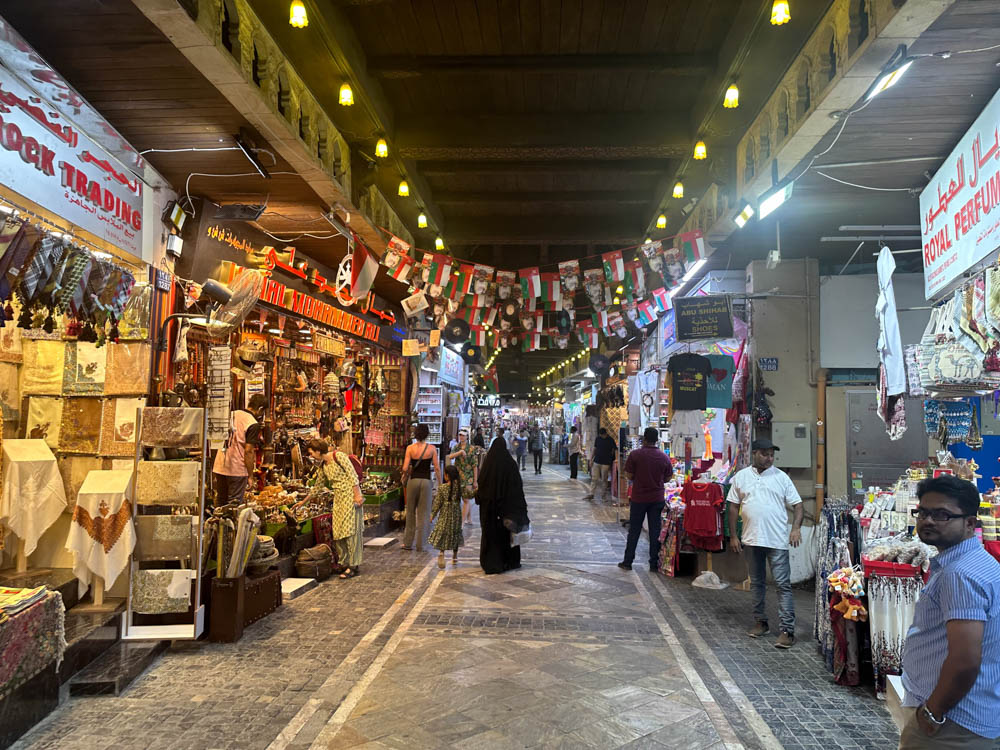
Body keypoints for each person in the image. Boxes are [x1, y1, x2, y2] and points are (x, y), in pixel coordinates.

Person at [898, 475, 1000, 749]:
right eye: (923, 512)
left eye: (942, 515)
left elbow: (965, 660)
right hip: (970, 713)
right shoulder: (978, 562)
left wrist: (932, 712)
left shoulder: (960, 574)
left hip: (953, 724)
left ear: (969, 523)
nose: (928, 521)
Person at [728, 438, 803, 649]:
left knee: (782, 585)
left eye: (772, 454)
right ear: (754, 454)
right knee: (757, 583)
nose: (769, 458)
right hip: (752, 540)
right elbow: (732, 507)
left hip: (777, 540)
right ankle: (761, 622)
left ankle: (787, 630)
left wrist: (795, 528)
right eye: (765, 454)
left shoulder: (781, 477)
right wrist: (733, 536)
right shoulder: (741, 477)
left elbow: (798, 505)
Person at [305, 439, 363, 579]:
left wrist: (357, 495)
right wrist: (303, 502)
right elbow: (318, 486)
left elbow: (352, 475)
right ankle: (344, 562)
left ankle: (353, 565)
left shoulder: (339, 456)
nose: (311, 456)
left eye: (311, 453)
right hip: (338, 499)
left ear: (318, 451)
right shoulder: (323, 465)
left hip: (349, 496)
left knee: (350, 531)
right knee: (338, 532)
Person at [619, 428, 673, 571]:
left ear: (644, 439)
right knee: (655, 531)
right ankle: (654, 564)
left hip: (639, 498)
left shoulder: (635, 455)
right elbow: (668, 478)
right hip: (657, 498)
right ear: (657, 440)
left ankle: (628, 562)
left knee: (634, 530)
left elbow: (629, 475)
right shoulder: (664, 457)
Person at [475, 437, 530, 574]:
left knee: (490, 536)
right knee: (506, 536)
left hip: (489, 510)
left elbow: (481, 486)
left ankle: (491, 562)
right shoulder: (510, 464)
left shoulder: (488, 465)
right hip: (506, 510)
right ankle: (509, 561)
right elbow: (517, 489)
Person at [213, 393, 267, 505]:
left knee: (221, 503)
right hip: (237, 470)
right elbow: (248, 451)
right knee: (234, 506)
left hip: (220, 466)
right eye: (263, 412)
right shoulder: (252, 423)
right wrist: (250, 475)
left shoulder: (231, 414)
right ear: (260, 409)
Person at [401, 423, 441, 551]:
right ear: (427, 434)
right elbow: (437, 468)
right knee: (424, 513)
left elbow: (405, 468)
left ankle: (408, 543)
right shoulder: (432, 449)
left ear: (416, 434)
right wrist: (440, 483)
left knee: (410, 512)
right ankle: (421, 544)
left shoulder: (410, 448)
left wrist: (405, 474)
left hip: (413, 481)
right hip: (426, 482)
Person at [429, 465, 465, 569]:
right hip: (456, 514)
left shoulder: (442, 488)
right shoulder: (460, 487)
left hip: (445, 514)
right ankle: (455, 556)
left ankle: (441, 552)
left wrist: (432, 515)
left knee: (443, 532)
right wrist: (477, 490)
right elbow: (469, 494)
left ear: (447, 476)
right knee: (455, 532)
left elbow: (437, 503)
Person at [447, 429, 481, 525]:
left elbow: (475, 466)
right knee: (464, 499)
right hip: (458, 475)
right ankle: (469, 518)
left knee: (466, 499)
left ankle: (461, 522)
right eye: (460, 435)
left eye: (463, 435)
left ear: (467, 437)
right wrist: (460, 452)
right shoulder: (456, 447)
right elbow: (450, 456)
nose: (461, 437)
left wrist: (475, 480)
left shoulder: (472, 448)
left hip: (468, 476)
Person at [584, 427, 617, 502]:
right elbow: (594, 449)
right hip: (597, 461)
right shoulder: (598, 438)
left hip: (606, 463)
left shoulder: (611, 440)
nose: (602, 436)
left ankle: (603, 496)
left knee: (604, 480)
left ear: (606, 434)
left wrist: (616, 459)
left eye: (603, 435)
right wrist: (591, 459)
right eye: (601, 435)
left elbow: (615, 449)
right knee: (594, 478)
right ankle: (591, 494)